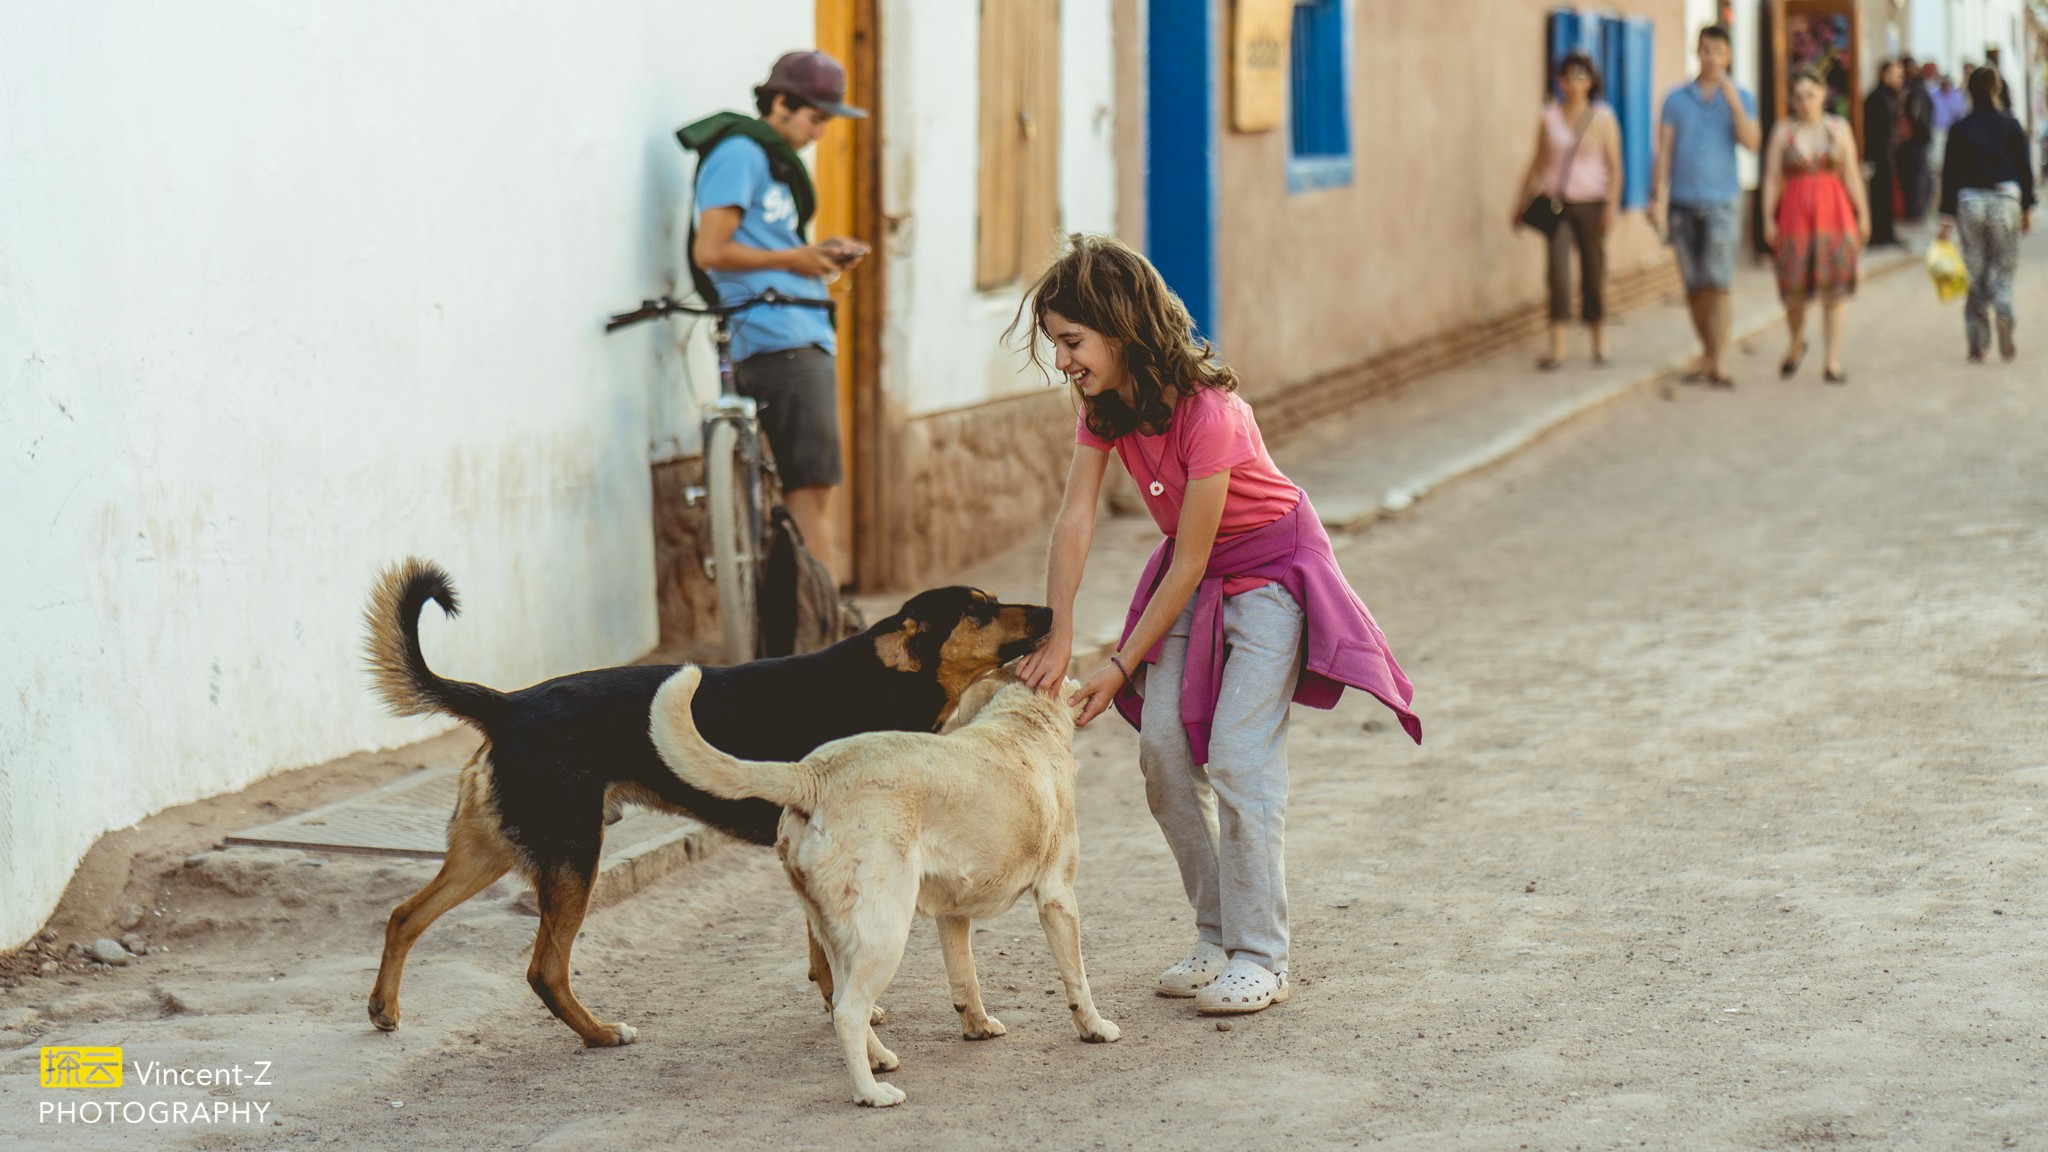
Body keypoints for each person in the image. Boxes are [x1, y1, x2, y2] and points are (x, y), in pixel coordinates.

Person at [1010, 234, 1421, 1017]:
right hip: (1193, 578)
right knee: (1163, 755)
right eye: (1056, 345)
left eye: (1072, 341)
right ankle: (1216, 932)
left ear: (1121, 328)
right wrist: (1061, 633)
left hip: (1270, 573)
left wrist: (1119, 665)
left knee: (1237, 757)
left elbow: (1192, 559)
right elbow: (1076, 518)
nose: (1062, 361)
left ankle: (1262, 954)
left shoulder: (1212, 412)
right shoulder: (1104, 406)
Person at [684, 51, 869, 586]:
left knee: (804, 493)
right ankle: (830, 636)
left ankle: (804, 629)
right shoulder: (742, 152)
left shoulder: (767, 161)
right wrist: (796, 259)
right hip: (780, 338)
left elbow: (762, 245)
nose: (820, 131)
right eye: (815, 116)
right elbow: (711, 250)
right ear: (781, 103)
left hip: (789, 332)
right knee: (811, 494)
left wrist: (813, 253)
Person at [1650, 25, 1761, 388]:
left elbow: (1752, 143)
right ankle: (1708, 352)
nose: (1711, 58)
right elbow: (1664, 151)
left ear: (1728, 56)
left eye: (1718, 51)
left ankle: (1719, 360)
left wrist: (1733, 105)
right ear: (1697, 53)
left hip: (1722, 203)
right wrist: (1656, 196)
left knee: (1719, 282)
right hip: (1682, 201)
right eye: (1705, 50)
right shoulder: (1675, 99)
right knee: (1694, 286)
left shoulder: (1741, 96)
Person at [1513, 51, 1623, 369]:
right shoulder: (1549, 117)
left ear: (1591, 81)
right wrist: (1519, 203)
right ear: (1559, 81)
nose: (1574, 83)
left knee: (1594, 271)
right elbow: (1538, 162)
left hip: (1592, 203)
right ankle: (1557, 348)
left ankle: (1598, 345)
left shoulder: (1603, 118)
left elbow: (1615, 167)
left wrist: (1612, 206)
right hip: (1557, 204)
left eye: (1580, 76)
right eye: (1568, 76)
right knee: (1558, 273)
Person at [1763, 71, 1870, 384]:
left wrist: (1863, 213)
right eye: (1798, 96)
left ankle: (1831, 361)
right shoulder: (1783, 132)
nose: (1804, 102)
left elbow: (1851, 173)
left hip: (1834, 215)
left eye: (1810, 94)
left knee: (1833, 292)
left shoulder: (1839, 129)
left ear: (1823, 94)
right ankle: (1797, 340)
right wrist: (1768, 217)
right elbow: (1771, 178)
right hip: (1794, 218)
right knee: (1793, 291)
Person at [1938, 67, 2036, 362]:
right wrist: (2027, 207)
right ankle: (2004, 312)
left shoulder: (1960, 128)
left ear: (1968, 90)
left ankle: (1977, 342)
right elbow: (2023, 169)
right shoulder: (2011, 126)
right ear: (1997, 89)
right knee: (2003, 269)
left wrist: (1946, 215)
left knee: (1975, 273)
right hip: (2005, 199)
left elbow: (1950, 173)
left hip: (1970, 202)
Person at [1863, 61, 1904, 246]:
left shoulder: (1888, 97)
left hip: (1886, 154)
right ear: (1884, 75)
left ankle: (1886, 232)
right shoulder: (1877, 98)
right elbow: (1874, 132)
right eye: (1896, 75)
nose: (1899, 80)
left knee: (1886, 194)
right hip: (1879, 156)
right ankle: (1880, 233)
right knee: (1880, 195)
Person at [1897, 56, 1935, 221]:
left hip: (1916, 140)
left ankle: (1915, 211)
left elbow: (1919, 115)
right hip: (1911, 141)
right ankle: (1913, 211)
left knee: (1918, 177)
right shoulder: (1911, 89)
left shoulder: (1916, 89)